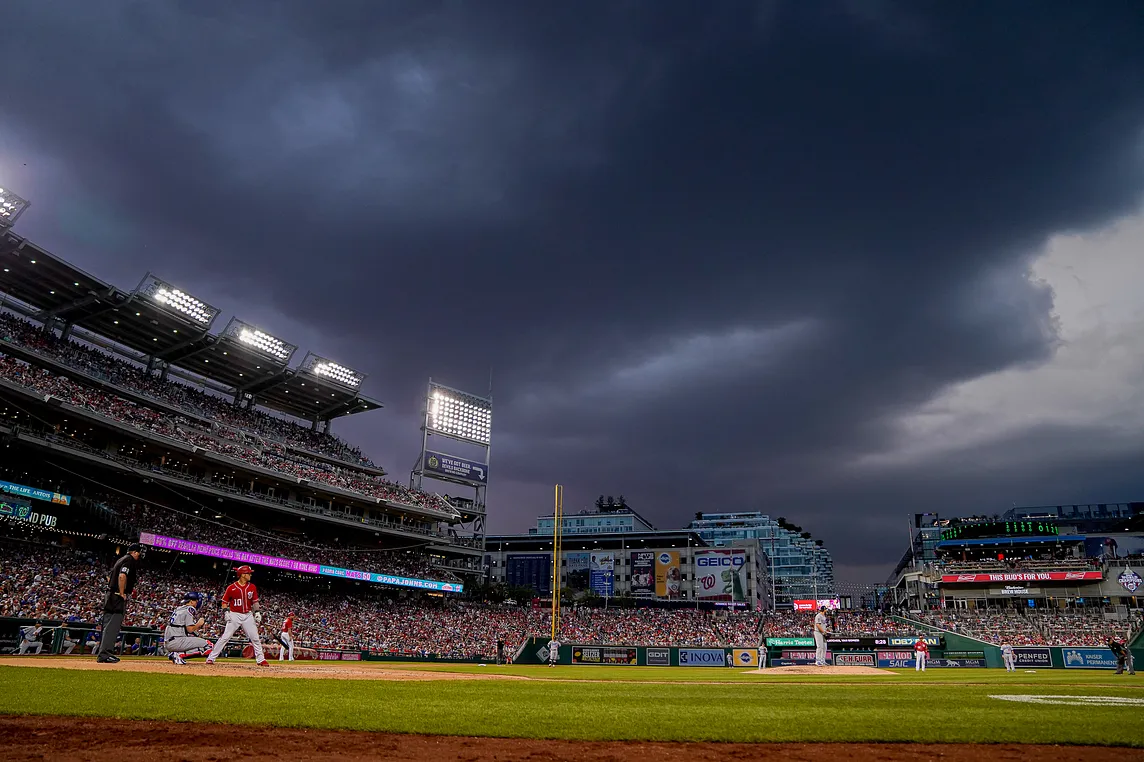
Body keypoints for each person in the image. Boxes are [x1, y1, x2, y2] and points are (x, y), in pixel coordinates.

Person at [205, 565, 268, 667]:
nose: (250, 575)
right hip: (235, 614)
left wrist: (257, 612)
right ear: (243, 575)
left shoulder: (252, 587)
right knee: (225, 637)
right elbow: (224, 602)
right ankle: (211, 658)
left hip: (247, 615)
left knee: (255, 638)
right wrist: (226, 612)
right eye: (248, 573)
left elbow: (255, 601)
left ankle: (261, 659)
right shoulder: (231, 588)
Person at [96, 543, 144, 664]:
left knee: (107, 624)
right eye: (138, 553)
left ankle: (103, 653)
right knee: (113, 625)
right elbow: (122, 576)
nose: (139, 555)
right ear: (134, 552)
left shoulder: (121, 559)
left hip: (110, 595)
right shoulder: (129, 560)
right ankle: (105, 654)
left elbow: (111, 576)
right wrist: (122, 593)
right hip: (117, 596)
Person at [164, 592, 214, 665]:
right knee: (209, 646)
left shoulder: (179, 608)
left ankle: (176, 653)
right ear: (191, 601)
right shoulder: (189, 609)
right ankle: (179, 655)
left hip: (170, 641)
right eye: (196, 601)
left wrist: (198, 634)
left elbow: (184, 627)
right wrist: (199, 624)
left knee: (201, 643)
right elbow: (190, 629)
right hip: (177, 641)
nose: (198, 602)